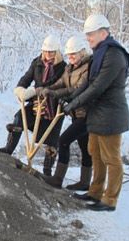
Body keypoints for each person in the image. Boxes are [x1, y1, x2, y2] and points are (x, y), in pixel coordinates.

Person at [63, 14, 129, 211]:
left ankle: (110, 200)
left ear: (104, 32)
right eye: (87, 35)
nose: (88, 38)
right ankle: (95, 191)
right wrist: (71, 98)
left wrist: (74, 104)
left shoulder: (114, 55)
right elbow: (87, 83)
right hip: (97, 113)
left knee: (111, 157)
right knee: (96, 154)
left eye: (91, 34)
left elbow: (98, 87)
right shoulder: (99, 54)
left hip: (111, 114)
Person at [0, 34, 66, 176]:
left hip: (54, 105)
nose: (48, 55)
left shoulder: (64, 68)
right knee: (19, 118)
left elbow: (63, 85)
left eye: (52, 52)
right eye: (46, 51)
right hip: (36, 103)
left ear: (57, 52)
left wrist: (50, 93)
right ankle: (8, 149)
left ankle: (47, 171)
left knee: (52, 139)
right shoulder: (37, 63)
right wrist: (21, 89)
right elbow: (26, 78)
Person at [39, 35, 92, 190]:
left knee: (63, 141)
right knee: (84, 147)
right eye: (69, 55)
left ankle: (58, 178)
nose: (71, 57)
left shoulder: (87, 68)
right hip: (76, 114)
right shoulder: (70, 67)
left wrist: (56, 94)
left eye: (73, 54)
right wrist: (49, 89)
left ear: (82, 52)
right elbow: (62, 82)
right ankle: (84, 182)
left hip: (86, 113)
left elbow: (77, 89)